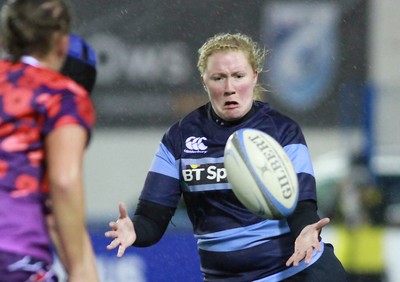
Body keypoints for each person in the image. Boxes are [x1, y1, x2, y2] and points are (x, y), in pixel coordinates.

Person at [105, 32, 348, 281]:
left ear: (254, 77)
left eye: (238, 76)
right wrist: (135, 229)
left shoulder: (283, 131)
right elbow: (152, 218)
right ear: (204, 82)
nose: (230, 88)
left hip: (298, 272)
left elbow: (301, 206)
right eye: (219, 78)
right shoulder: (179, 139)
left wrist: (307, 231)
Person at [0, 0, 99, 281]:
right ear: (60, 42)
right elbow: (64, 182)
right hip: (14, 255)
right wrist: (81, 269)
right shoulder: (62, 95)